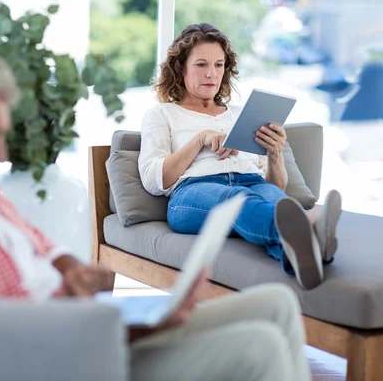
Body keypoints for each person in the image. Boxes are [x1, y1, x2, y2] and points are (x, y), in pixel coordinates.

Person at [0, 49, 312, 380]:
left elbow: (36, 245)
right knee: (259, 346)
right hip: (68, 356)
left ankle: (301, 235)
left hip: (77, 325)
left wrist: (72, 269)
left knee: (277, 304)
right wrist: (127, 328)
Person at [138, 23, 342, 290]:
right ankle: (311, 230)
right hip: (192, 193)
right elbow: (155, 180)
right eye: (201, 64)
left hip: (253, 184)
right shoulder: (162, 114)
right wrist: (200, 140)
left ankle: (300, 256)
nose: (212, 73)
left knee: (276, 202)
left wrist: (274, 153)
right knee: (237, 200)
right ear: (181, 68)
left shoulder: (239, 115)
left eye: (219, 65)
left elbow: (275, 188)